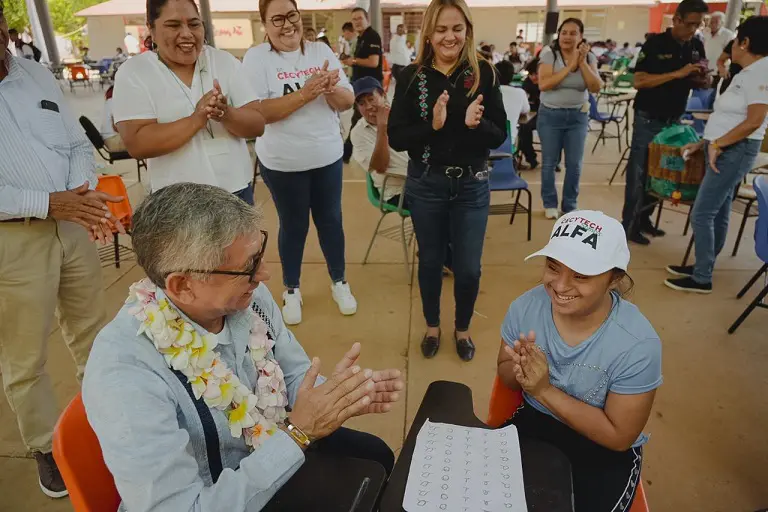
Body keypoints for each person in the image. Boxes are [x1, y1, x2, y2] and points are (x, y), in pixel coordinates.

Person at [82, 183, 404, 511]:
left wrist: (339, 396)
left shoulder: (248, 298)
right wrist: (298, 434)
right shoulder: (125, 374)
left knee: (376, 455)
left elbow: (292, 371)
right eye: (248, 267)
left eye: (259, 255)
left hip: (276, 447)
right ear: (182, 285)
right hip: (219, 496)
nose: (263, 275)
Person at [0, 3, 125, 497]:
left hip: (70, 222)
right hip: (14, 239)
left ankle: (105, 421)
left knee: (93, 331)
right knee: (24, 356)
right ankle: (46, 446)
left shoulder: (33, 73)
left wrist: (80, 194)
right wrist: (48, 202)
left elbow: (74, 140)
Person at [498, 210, 662, 512]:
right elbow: (504, 374)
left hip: (602, 452)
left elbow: (618, 438)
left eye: (581, 275)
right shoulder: (526, 308)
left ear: (614, 279)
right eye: (553, 267)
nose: (560, 286)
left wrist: (544, 390)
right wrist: (519, 369)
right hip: (535, 423)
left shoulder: (637, 345)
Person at [388, 0, 507, 362]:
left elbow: (499, 133)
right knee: (430, 262)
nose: (449, 36)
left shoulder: (484, 73)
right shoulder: (411, 78)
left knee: (468, 267)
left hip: (472, 185)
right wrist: (433, 126)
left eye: (457, 28)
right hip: (427, 184)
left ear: (467, 30)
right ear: (428, 32)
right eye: (441, 29)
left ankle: (463, 329)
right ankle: (432, 327)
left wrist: (477, 125)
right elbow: (396, 136)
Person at [242, 0, 357, 326]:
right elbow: (258, 112)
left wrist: (331, 88)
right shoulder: (257, 58)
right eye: (276, 19)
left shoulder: (320, 50)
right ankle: (291, 289)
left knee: (331, 222)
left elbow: (347, 100)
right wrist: (306, 93)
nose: (287, 24)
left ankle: (340, 282)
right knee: (294, 227)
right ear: (265, 23)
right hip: (283, 163)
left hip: (327, 157)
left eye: (291, 15)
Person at [112, 0, 265, 204]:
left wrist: (226, 114)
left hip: (235, 193)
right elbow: (138, 144)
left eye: (194, 24)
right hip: (177, 202)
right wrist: (197, 118)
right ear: (152, 29)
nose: (186, 33)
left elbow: (257, 124)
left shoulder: (224, 62)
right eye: (173, 25)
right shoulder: (134, 73)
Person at [665, 16, 768, 294]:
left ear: (745, 42)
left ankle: (702, 277)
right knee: (719, 210)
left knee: (702, 213)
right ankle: (704, 264)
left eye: (735, 40)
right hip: (722, 147)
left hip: (734, 150)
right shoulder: (747, 72)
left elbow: (754, 121)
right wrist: (704, 143)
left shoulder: (762, 72)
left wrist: (719, 144)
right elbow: (728, 117)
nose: (731, 45)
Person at [621, 0, 709, 245]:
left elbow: (697, 81)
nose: (693, 29)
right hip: (649, 117)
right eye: (690, 23)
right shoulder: (655, 43)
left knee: (664, 173)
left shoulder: (696, 45)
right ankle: (629, 224)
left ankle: (645, 218)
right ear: (677, 19)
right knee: (640, 172)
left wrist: (702, 79)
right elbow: (639, 81)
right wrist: (677, 73)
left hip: (675, 119)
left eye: (698, 24)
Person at [537, 18, 603, 219]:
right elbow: (544, 84)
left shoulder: (589, 57)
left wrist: (581, 62)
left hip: (578, 116)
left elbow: (595, 86)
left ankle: (569, 205)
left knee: (574, 164)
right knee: (549, 162)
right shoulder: (550, 54)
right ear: (559, 34)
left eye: (573, 33)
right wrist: (569, 66)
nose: (567, 37)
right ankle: (550, 203)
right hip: (550, 115)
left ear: (581, 37)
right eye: (564, 32)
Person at [351, 77, 407, 204]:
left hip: (424, 182)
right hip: (398, 191)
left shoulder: (402, 117)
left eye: (371, 99)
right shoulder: (359, 133)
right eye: (362, 103)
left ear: (383, 96)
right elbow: (380, 167)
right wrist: (382, 127)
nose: (369, 106)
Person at [343, 7, 383, 83]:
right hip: (360, 82)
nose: (357, 22)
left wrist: (354, 61)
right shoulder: (360, 37)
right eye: (354, 19)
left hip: (370, 84)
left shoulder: (372, 35)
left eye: (360, 18)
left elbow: (373, 62)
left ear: (367, 20)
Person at [496, 60, 530, 143]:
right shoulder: (520, 93)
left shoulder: (486, 92)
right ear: (512, 76)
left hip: (485, 144)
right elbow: (526, 110)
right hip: (508, 143)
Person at [518, 57, 540, 170]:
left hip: (546, 114)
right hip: (530, 114)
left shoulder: (548, 84)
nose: (534, 77)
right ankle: (531, 159)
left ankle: (554, 162)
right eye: (531, 74)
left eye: (536, 74)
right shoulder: (526, 84)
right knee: (523, 128)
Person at [703, 11, 734, 90]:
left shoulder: (728, 35)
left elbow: (729, 53)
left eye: (716, 22)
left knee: (711, 93)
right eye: (711, 21)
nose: (712, 24)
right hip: (703, 69)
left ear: (722, 23)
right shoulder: (705, 32)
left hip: (717, 70)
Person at [101, 86, 127, 152]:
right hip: (114, 141)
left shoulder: (109, 102)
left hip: (110, 139)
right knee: (146, 140)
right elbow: (117, 128)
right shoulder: (116, 102)